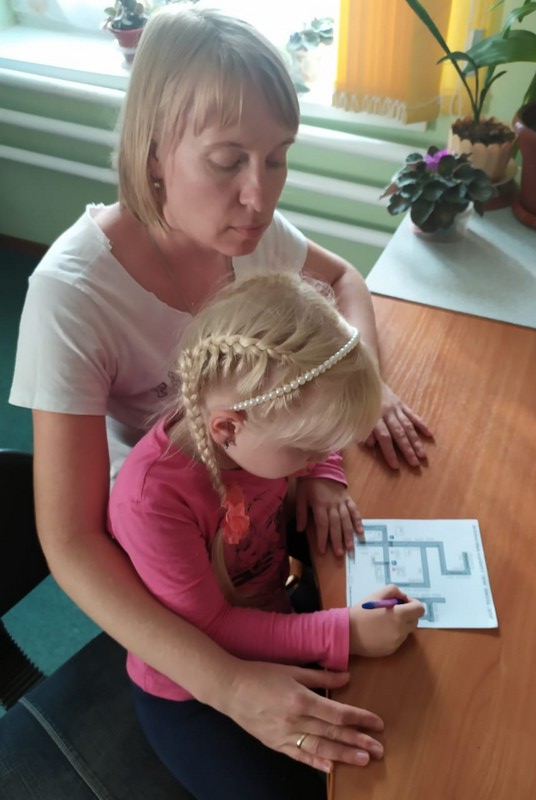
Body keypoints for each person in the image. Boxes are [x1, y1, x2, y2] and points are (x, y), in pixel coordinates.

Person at [9, 3, 432, 785]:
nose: (259, 197)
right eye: (228, 161)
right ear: (154, 151)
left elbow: (344, 280)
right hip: (176, 567)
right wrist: (230, 687)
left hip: (257, 514)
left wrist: (360, 403)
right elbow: (70, 543)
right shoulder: (71, 295)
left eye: (277, 159)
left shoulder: (250, 235)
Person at [107, 271, 425, 798]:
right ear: (227, 428)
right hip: (192, 691)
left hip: (273, 618)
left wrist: (325, 474)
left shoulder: (255, 435)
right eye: (306, 450)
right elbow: (211, 627)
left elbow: (311, 438)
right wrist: (342, 631)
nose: (315, 458)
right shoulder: (151, 500)